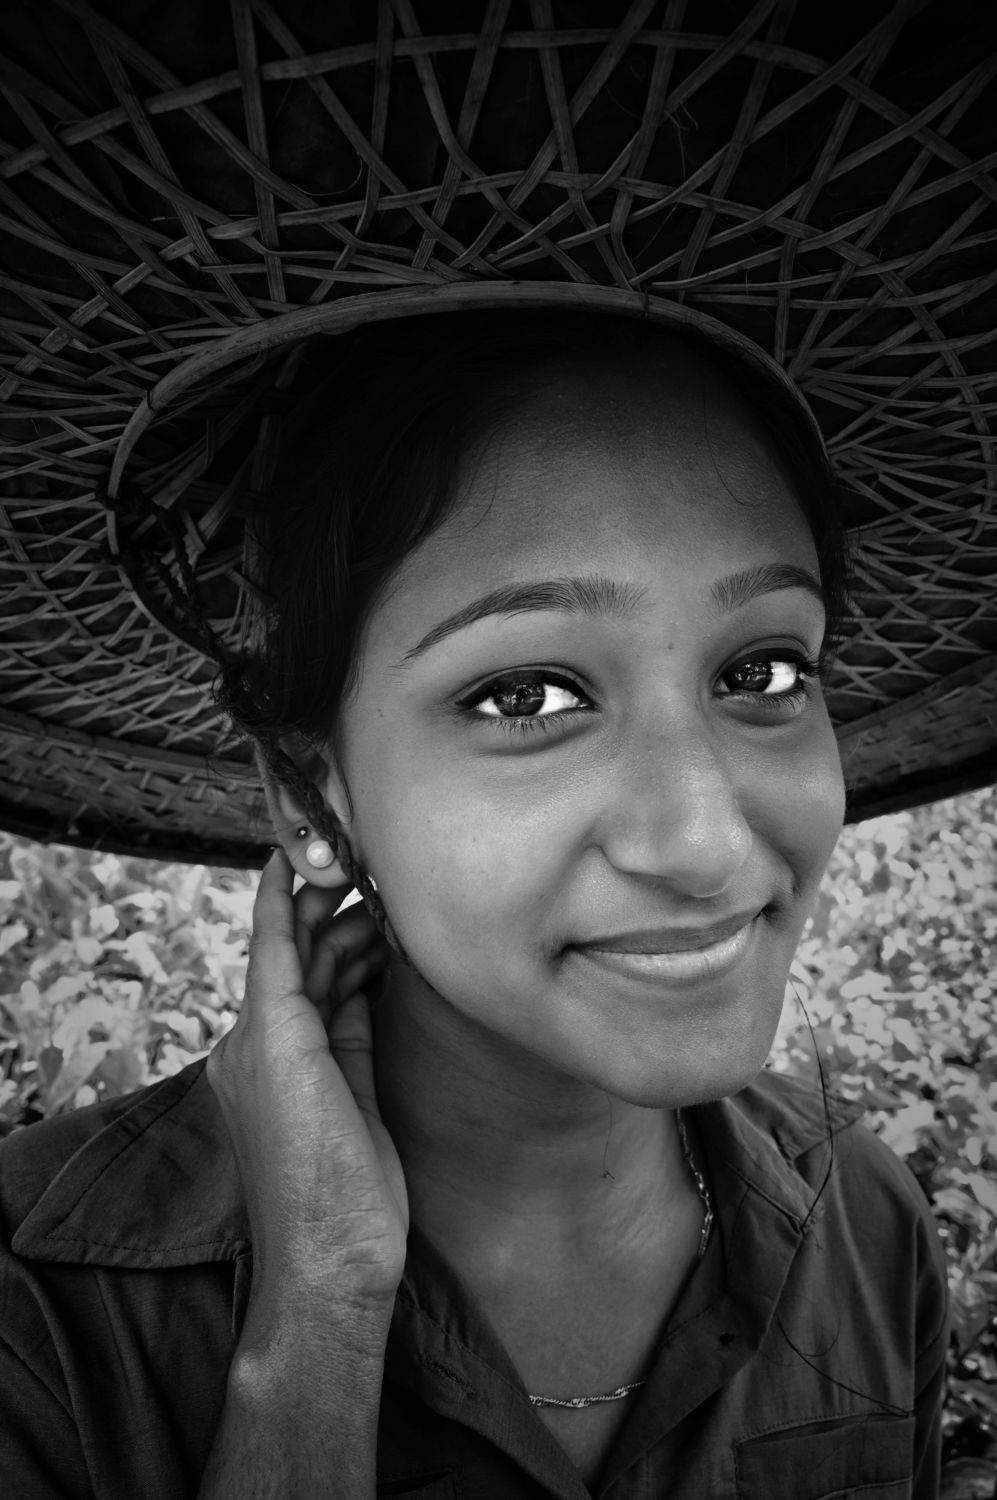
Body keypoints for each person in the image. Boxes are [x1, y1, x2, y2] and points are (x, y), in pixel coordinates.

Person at [0, 309, 949, 1499]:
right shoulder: (40, 1315)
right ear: (310, 790)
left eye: (762, 672)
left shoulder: (868, 1228)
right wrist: (316, 1323)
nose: (704, 842)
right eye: (526, 695)